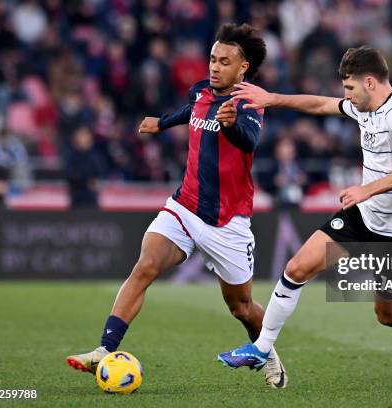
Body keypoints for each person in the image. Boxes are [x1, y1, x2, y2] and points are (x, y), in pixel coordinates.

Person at [66, 23, 288, 389]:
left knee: (241, 307)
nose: (214, 67)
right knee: (145, 266)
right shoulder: (202, 90)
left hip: (226, 222)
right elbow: (193, 109)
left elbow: (249, 141)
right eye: (212, 59)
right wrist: (162, 123)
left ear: (243, 67)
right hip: (183, 207)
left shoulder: (250, 101)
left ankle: (266, 351)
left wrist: (231, 126)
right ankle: (104, 350)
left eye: (224, 61)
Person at [218, 46, 392, 372]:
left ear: (371, 82)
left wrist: (367, 189)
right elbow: (320, 104)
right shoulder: (364, 106)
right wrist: (272, 98)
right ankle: (261, 349)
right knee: (296, 269)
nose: (346, 95)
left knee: (388, 314)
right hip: (361, 216)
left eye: (350, 88)